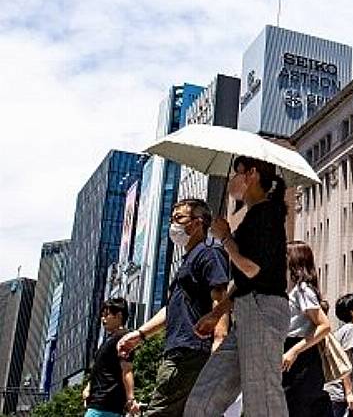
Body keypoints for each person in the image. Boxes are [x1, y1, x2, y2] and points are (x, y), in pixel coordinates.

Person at [184, 156, 291, 417]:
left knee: (262, 400)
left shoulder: (267, 214)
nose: (232, 179)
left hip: (262, 309)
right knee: (202, 401)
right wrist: (217, 313)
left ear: (251, 175)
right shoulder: (255, 215)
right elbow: (245, 280)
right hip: (247, 310)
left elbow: (252, 269)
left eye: (237, 173)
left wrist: (226, 237)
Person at [116, 199, 230, 417]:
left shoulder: (209, 252)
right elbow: (172, 309)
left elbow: (221, 299)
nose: (173, 225)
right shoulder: (189, 260)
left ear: (198, 223)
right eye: (172, 220)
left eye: (179, 219)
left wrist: (219, 341)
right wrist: (140, 335)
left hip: (191, 350)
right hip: (181, 349)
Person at [282, 240, 333, 416]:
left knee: (298, 406)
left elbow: (325, 325)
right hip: (292, 353)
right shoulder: (291, 289)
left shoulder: (302, 290)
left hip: (301, 355)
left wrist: (294, 351)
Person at [83, 298, 137, 417]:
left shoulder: (124, 337)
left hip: (106, 404)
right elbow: (101, 369)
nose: (103, 319)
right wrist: (89, 387)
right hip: (99, 403)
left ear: (118, 315)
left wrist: (131, 399)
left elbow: (127, 369)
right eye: (102, 315)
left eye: (107, 315)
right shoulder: (109, 339)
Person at [326, 293, 353, 417]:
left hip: (335, 393)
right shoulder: (350, 330)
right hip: (339, 394)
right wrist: (349, 393)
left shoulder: (340, 331)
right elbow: (345, 362)